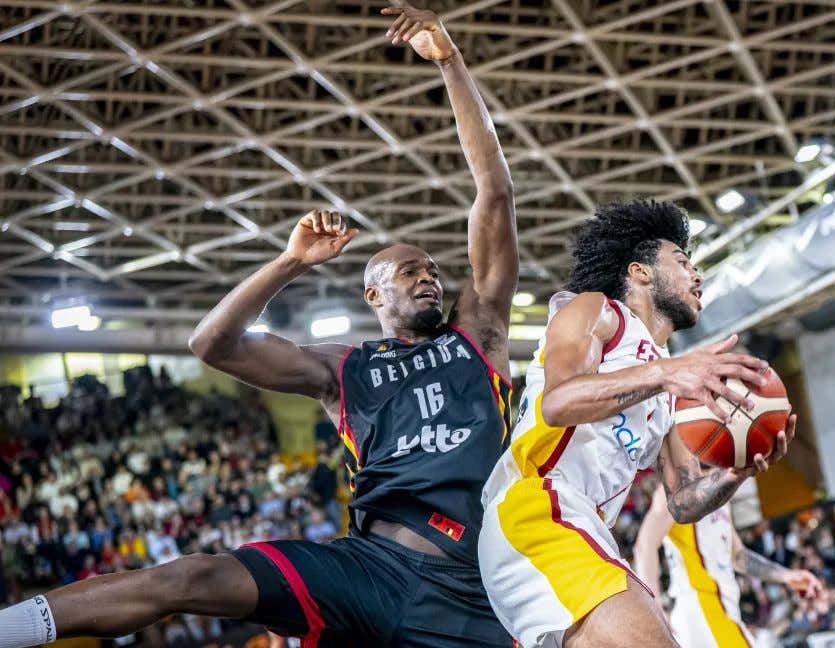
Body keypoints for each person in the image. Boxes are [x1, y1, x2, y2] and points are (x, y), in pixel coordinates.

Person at [0, 6, 517, 647]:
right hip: (368, 568)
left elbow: (493, 192)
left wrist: (449, 62)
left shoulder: (477, 334)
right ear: (373, 293)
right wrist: (289, 262)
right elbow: (210, 344)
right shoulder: (344, 367)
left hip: (470, 585)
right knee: (191, 577)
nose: (428, 276)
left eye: (434, 270)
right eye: (409, 271)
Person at [477, 199, 795, 647]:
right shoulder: (596, 312)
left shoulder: (667, 379)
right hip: (536, 508)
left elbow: (683, 501)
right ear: (640, 272)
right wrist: (667, 374)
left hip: (581, 528)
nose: (697, 275)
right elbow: (559, 402)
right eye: (683, 262)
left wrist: (733, 475)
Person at [631, 485, 821, 647]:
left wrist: (785, 576)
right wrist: (654, 608)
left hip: (722, 607)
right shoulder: (677, 488)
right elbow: (644, 546)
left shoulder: (721, 493)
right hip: (701, 606)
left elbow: (738, 556)